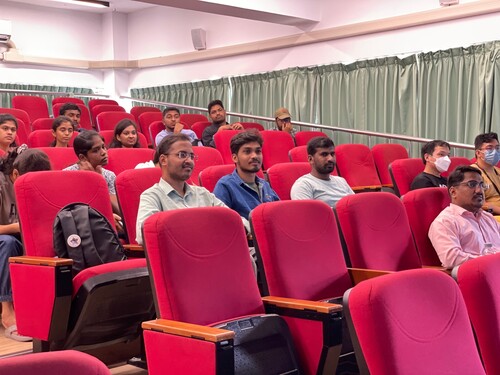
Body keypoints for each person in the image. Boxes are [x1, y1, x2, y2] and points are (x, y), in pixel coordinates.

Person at [136, 133, 249, 245]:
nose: (189, 161)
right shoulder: (152, 196)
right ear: (163, 160)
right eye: (182, 155)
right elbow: (144, 235)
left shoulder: (203, 194)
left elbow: (236, 219)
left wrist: (240, 227)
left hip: (215, 250)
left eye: (191, 156)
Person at [0, 148, 51, 341]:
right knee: (8, 243)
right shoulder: (2, 184)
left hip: (23, 236)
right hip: (5, 239)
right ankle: (7, 310)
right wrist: (16, 227)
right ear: (15, 175)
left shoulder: (41, 185)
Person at [429, 165, 500, 268]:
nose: (479, 191)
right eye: (472, 184)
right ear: (453, 192)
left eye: (481, 185)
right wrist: (490, 262)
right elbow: (452, 259)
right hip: (479, 275)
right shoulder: (445, 222)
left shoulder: (487, 218)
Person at [214, 130, 279, 220]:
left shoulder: (265, 185)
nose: (254, 156)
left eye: (258, 151)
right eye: (247, 152)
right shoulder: (225, 186)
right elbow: (221, 222)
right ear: (235, 158)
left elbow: (280, 214)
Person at [64, 130, 120, 216]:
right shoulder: (68, 175)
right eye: (96, 150)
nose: (103, 152)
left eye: (103, 147)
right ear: (82, 157)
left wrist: (97, 180)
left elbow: (118, 210)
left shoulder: (109, 175)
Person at [291, 137, 354, 206]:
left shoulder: (341, 181)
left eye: (332, 154)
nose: (331, 158)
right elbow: (306, 215)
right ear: (311, 159)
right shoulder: (304, 185)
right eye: (324, 154)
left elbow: (355, 206)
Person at [470, 132, 500, 216]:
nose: (495, 152)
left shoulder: (498, 171)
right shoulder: (472, 173)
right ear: (478, 153)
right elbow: (478, 203)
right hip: (489, 215)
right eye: (489, 148)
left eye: (497, 148)